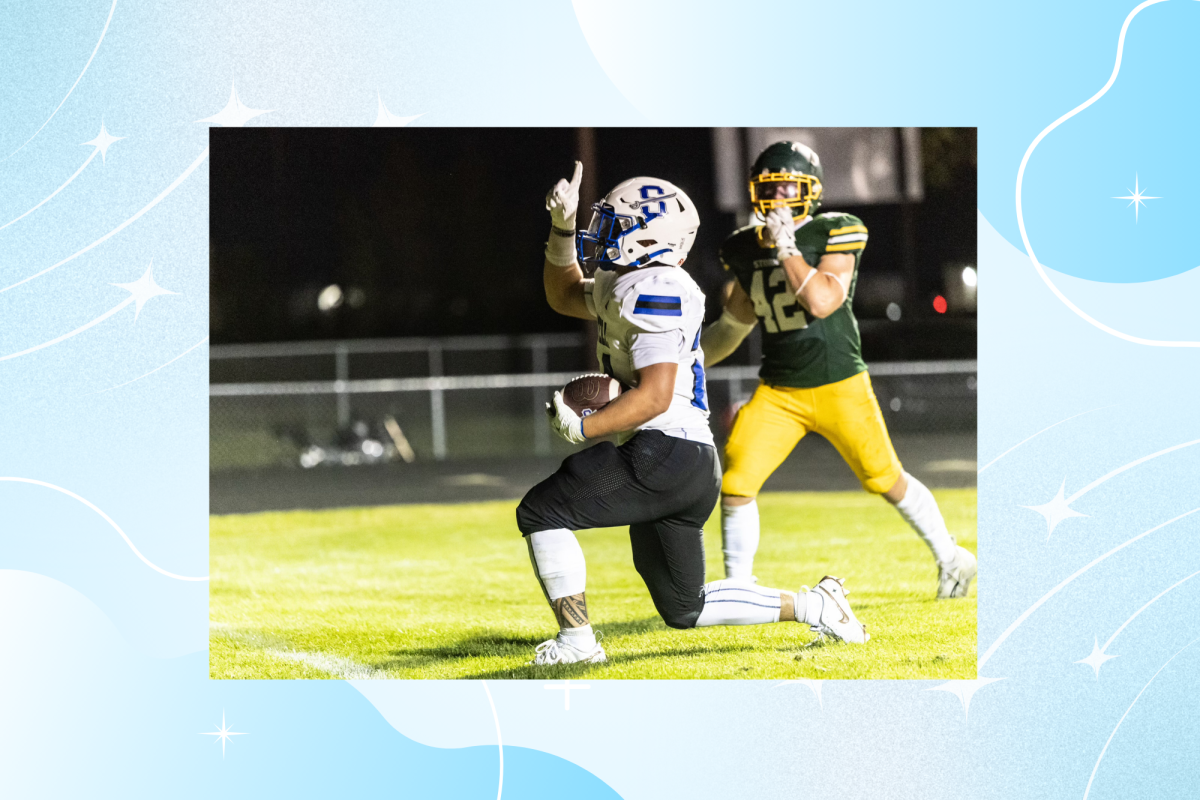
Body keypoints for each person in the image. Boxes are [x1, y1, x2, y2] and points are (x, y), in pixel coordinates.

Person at [515, 162, 869, 667]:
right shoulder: (631, 280)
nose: (605, 232)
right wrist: (562, 229)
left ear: (645, 235)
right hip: (683, 459)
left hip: (665, 451)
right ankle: (818, 605)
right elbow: (564, 293)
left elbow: (656, 396)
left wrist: (585, 426)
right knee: (686, 607)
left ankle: (577, 644)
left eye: (616, 223)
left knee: (542, 510)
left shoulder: (657, 287)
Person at [701, 141, 977, 598]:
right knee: (738, 479)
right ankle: (739, 590)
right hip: (779, 390)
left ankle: (952, 559)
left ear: (810, 191)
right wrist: (680, 363)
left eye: (788, 186)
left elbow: (822, 301)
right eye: (769, 188)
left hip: (839, 383)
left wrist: (787, 247)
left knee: (885, 479)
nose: (779, 197)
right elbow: (733, 326)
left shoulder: (833, 231)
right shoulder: (743, 249)